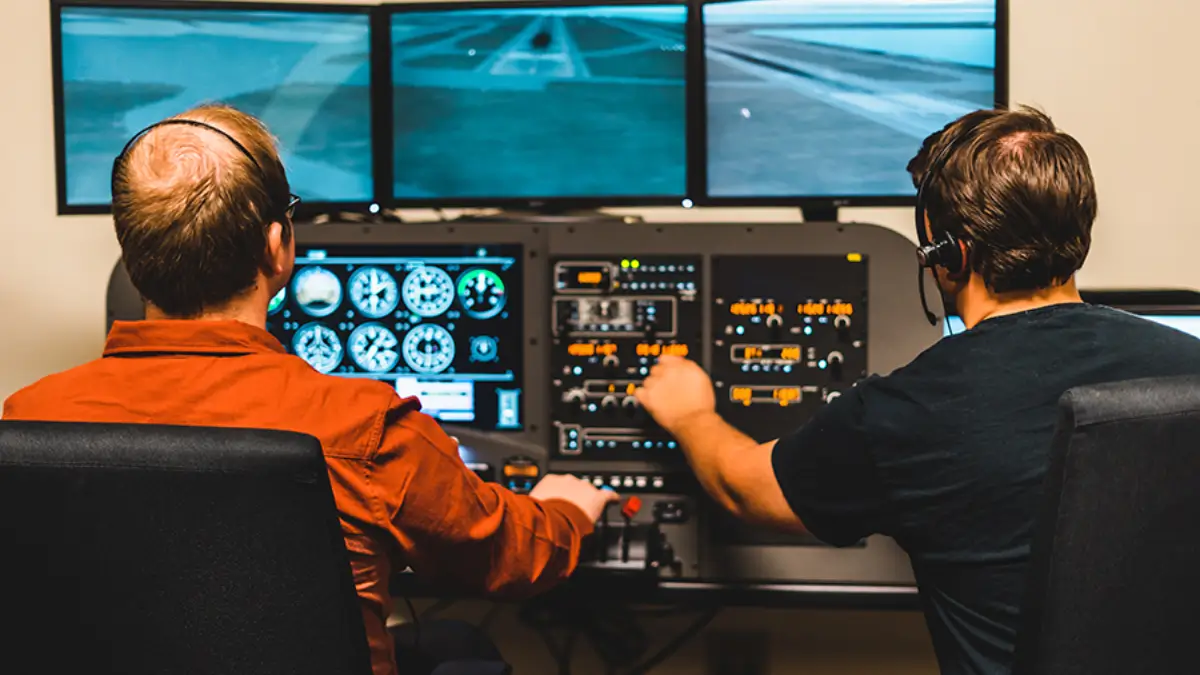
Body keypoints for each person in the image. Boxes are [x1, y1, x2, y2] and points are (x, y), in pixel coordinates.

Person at [1, 104, 617, 675]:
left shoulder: (29, 422)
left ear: (132, 253)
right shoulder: (364, 427)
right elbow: (512, 556)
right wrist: (566, 509)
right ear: (278, 247)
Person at [634, 106, 1200, 675]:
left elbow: (743, 489)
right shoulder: (1190, 366)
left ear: (945, 253)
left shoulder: (908, 410)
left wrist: (690, 414)